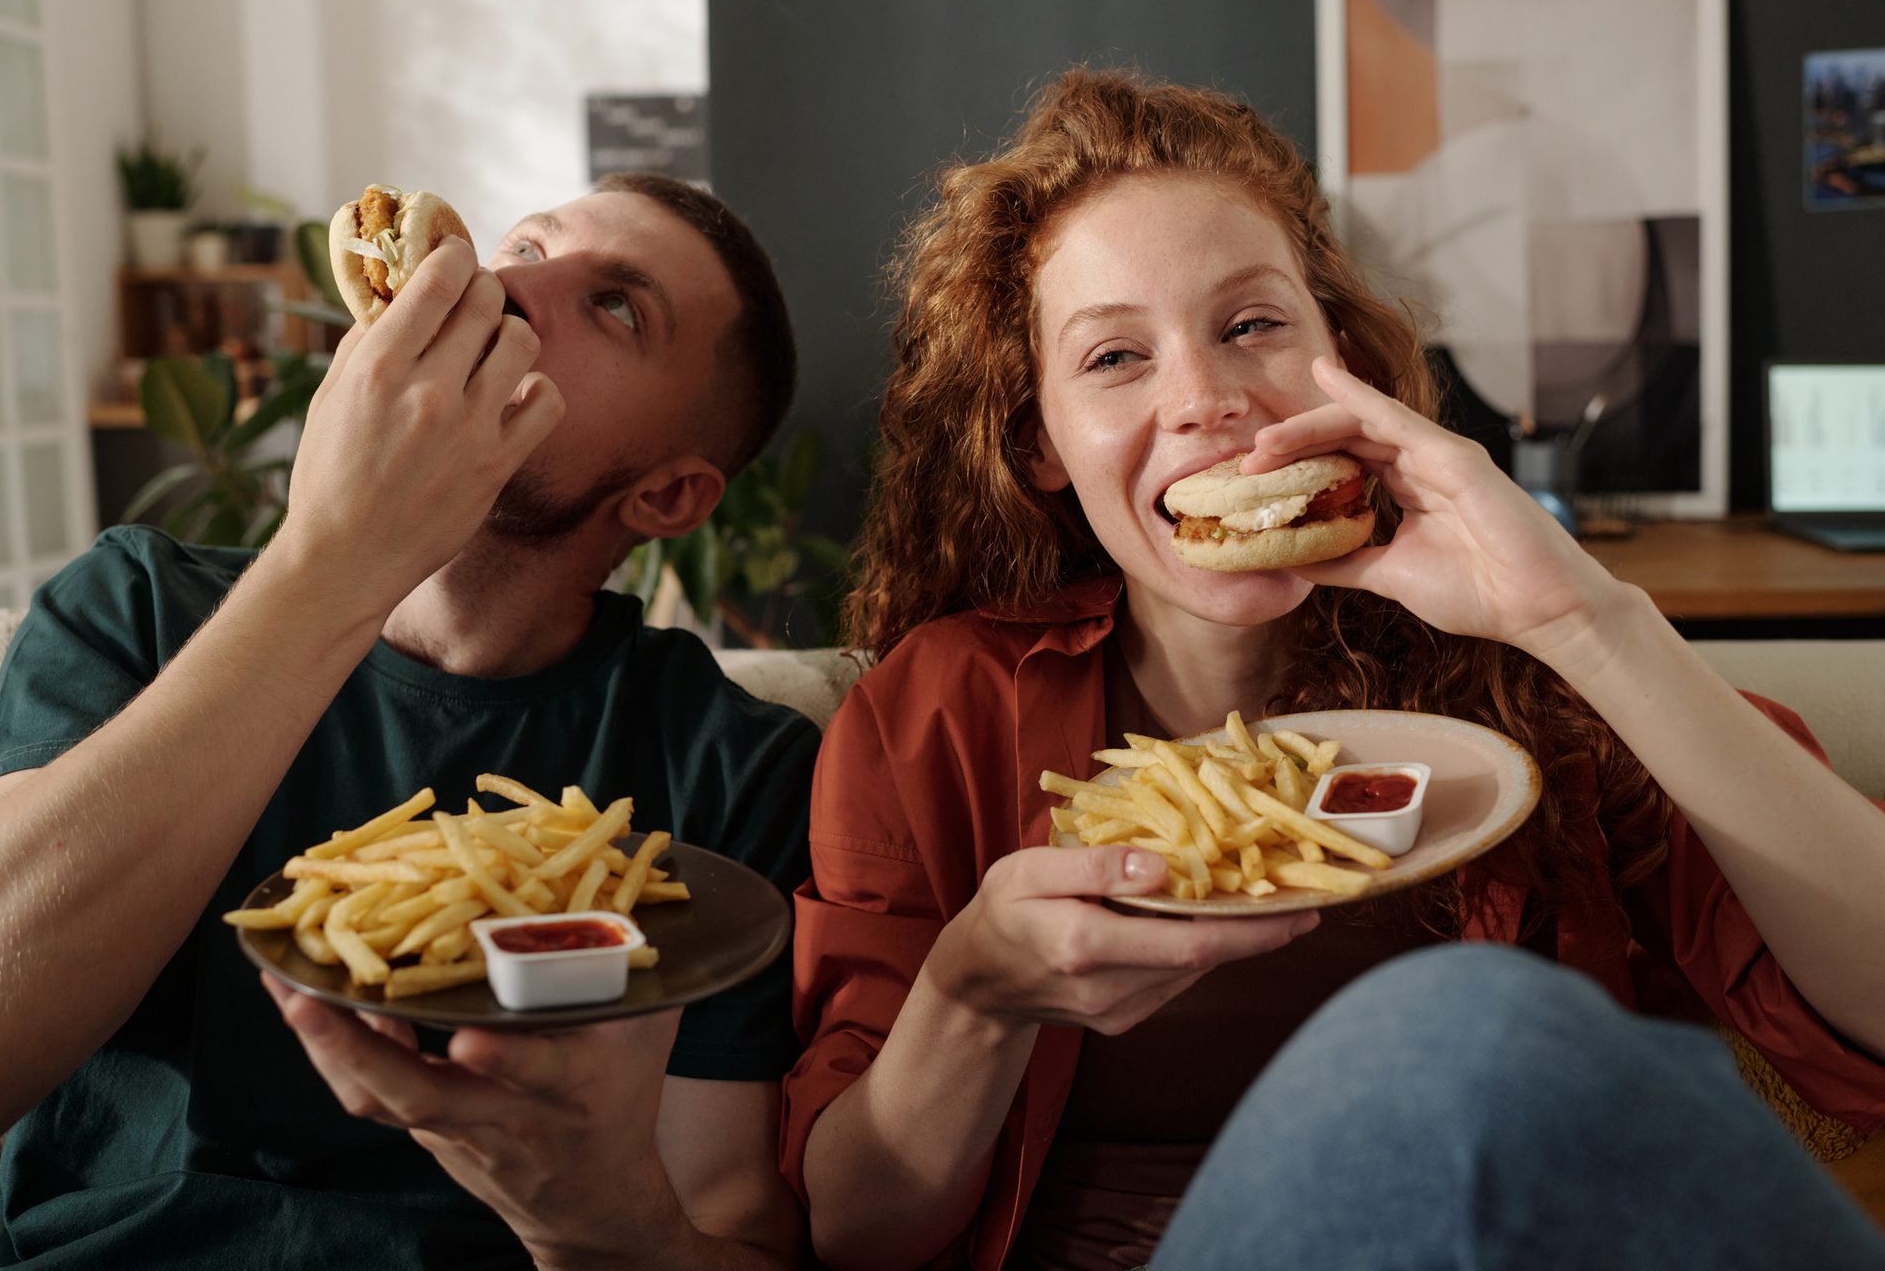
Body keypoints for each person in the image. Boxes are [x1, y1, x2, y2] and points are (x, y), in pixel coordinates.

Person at [781, 70, 1885, 1270]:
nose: (1207, 398)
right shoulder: (929, 714)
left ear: (1343, 357)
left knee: (1478, 1036)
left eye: (1253, 325)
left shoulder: (1535, 678)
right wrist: (972, 998)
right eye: (1114, 357)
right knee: (1459, 1026)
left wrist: (1583, 618)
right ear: (1037, 441)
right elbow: (857, 1231)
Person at [0, 172, 816, 1269]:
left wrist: (596, 1222)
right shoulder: (133, 606)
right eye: (525, 242)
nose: (511, 284)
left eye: (616, 305)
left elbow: (730, 1226)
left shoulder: (730, 766)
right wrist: (332, 567)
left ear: (664, 497)